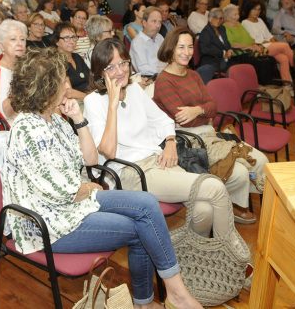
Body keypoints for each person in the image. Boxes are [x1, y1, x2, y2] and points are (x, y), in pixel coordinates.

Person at [4, 45, 203, 309]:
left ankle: (171, 294)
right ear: (47, 88)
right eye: (63, 80)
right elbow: (65, 191)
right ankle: (154, 301)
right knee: (140, 227)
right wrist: (87, 187)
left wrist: (77, 118)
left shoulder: (54, 119)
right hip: (49, 224)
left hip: (71, 206)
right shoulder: (28, 130)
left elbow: (89, 160)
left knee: (145, 203)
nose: (68, 86)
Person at [83, 38, 236, 238]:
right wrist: (112, 104)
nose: (120, 71)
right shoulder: (93, 101)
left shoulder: (135, 90)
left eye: (123, 63)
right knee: (214, 187)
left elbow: (163, 120)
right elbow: (108, 151)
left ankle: (187, 254)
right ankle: (231, 253)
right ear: (99, 73)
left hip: (159, 160)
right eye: (111, 67)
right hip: (132, 172)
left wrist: (171, 143)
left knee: (204, 210)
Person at [154, 28, 267, 223]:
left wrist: (198, 110)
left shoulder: (193, 75)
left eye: (190, 47)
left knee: (260, 159)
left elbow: (213, 106)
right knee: (239, 171)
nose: (187, 52)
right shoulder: (163, 81)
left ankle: (233, 200)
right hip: (188, 139)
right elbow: (182, 118)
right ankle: (232, 204)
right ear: (170, 49)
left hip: (208, 132)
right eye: (181, 47)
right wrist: (204, 112)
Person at [224, 4, 294, 82]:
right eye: (235, 14)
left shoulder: (239, 24)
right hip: (245, 51)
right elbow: (232, 44)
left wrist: (254, 44)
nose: (238, 16)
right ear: (227, 16)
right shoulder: (226, 27)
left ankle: (287, 84)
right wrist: (250, 46)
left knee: (283, 58)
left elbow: (250, 38)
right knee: (285, 46)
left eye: (238, 14)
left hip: (255, 46)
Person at [53, 22, 90, 101]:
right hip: (74, 103)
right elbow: (69, 93)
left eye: (73, 37)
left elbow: (90, 78)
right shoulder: (56, 62)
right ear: (57, 41)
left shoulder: (77, 57)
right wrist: (90, 98)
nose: (72, 41)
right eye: (66, 38)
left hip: (88, 97)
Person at [196, 8, 232, 84]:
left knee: (240, 63)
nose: (219, 20)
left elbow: (226, 42)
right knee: (232, 68)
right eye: (216, 18)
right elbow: (204, 49)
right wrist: (222, 53)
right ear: (210, 18)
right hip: (211, 60)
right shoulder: (206, 31)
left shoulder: (222, 28)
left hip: (224, 58)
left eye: (221, 18)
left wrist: (229, 49)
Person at [130, 6, 165, 78]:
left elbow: (167, 58)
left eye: (160, 22)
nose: (158, 25)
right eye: (154, 21)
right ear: (144, 23)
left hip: (164, 77)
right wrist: (165, 72)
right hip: (149, 80)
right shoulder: (137, 42)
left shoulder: (160, 37)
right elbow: (143, 70)